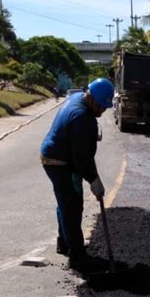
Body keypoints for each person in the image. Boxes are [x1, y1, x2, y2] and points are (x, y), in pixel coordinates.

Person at [40, 77, 114, 271]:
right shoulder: (82, 117)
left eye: (105, 107)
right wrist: (94, 180)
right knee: (72, 207)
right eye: (100, 106)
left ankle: (64, 242)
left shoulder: (77, 97)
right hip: (60, 162)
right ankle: (77, 256)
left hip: (55, 156)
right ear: (90, 97)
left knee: (65, 202)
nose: (102, 110)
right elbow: (82, 158)